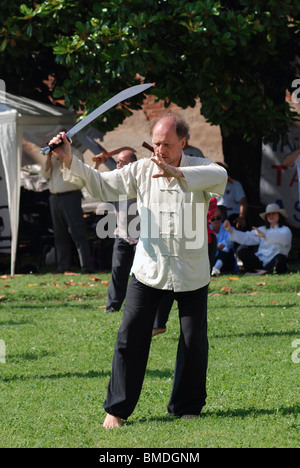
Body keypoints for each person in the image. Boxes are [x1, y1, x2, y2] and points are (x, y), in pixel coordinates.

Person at [48, 111, 227, 429]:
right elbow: (102, 185)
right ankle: (116, 409)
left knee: (192, 340)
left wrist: (177, 172)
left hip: (192, 272)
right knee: (130, 338)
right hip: (149, 269)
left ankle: (187, 405)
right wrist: (68, 158)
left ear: (183, 142)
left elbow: (220, 177)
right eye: (156, 144)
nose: (160, 150)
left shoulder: (200, 168)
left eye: (167, 144)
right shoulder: (142, 170)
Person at [93, 149, 140, 313]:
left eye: (122, 162)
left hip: (143, 237)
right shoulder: (115, 183)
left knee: (142, 274)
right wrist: (97, 165)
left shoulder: (141, 181)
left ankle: (141, 306)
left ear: (132, 165)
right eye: (118, 161)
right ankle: (113, 305)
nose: (118, 165)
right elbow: (96, 185)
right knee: (118, 270)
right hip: (122, 234)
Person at [42, 150, 93, 274]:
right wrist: (49, 157)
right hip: (55, 197)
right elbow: (46, 174)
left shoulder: (75, 153)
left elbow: (74, 173)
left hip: (70, 196)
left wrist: (63, 158)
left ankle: (86, 267)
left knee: (78, 232)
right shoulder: (53, 155)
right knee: (59, 233)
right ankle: (62, 266)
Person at [223, 203, 292, 275]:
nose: (271, 216)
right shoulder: (262, 229)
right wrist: (231, 230)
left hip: (274, 261)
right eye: (269, 214)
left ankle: (264, 271)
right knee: (242, 250)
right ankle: (260, 270)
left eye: (273, 213)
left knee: (281, 258)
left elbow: (284, 239)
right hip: (261, 261)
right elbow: (247, 237)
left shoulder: (285, 230)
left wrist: (266, 236)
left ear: (279, 215)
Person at [216, 162, 248, 230]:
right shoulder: (210, 187)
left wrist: (241, 217)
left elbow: (243, 202)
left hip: (232, 216)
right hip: (217, 218)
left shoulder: (235, 184)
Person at [210, 206, 236, 277]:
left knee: (226, 250)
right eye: (213, 218)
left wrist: (213, 247)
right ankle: (213, 270)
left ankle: (215, 269)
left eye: (218, 217)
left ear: (222, 218)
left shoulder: (229, 228)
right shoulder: (205, 230)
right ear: (209, 219)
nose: (216, 221)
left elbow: (226, 245)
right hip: (211, 260)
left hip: (226, 262)